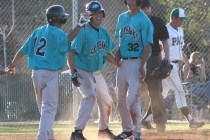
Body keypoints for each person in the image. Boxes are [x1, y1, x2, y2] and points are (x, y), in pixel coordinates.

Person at [6, 5, 89, 140]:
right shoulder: (57, 32)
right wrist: (80, 24)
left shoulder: (38, 31)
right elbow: (67, 39)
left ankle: (49, 136)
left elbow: (22, 51)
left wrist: (13, 65)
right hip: (49, 75)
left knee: (44, 110)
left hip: (36, 74)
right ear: (60, 19)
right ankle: (42, 137)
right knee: (49, 109)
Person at [68, 1, 119, 140]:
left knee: (107, 101)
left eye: (100, 13)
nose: (98, 16)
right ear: (89, 16)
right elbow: (71, 52)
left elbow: (107, 53)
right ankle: (77, 133)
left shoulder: (103, 32)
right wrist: (73, 71)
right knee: (90, 96)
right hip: (82, 70)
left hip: (96, 72)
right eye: (94, 13)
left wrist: (118, 64)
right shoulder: (83, 31)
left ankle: (103, 129)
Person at [112, 0, 154, 139]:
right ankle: (127, 130)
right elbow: (122, 39)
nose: (130, 1)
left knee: (132, 100)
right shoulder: (122, 17)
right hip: (123, 63)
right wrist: (118, 52)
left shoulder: (144, 20)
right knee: (121, 99)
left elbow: (147, 45)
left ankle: (137, 133)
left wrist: (142, 65)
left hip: (137, 62)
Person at [161, 8, 204, 128]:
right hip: (167, 66)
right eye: (180, 19)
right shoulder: (166, 30)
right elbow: (160, 48)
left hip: (176, 65)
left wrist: (189, 65)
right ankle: (191, 121)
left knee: (162, 94)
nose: (182, 21)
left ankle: (146, 118)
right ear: (173, 18)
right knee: (179, 91)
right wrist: (160, 63)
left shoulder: (180, 30)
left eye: (183, 19)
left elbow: (180, 51)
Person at [140, 0, 170, 132]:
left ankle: (160, 124)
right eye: (143, 8)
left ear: (151, 8)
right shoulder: (133, 21)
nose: (145, 10)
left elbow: (164, 40)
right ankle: (132, 123)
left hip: (153, 58)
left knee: (155, 92)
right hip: (136, 59)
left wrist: (167, 58)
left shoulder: (157, 21)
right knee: (133, 92)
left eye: (147, 7)